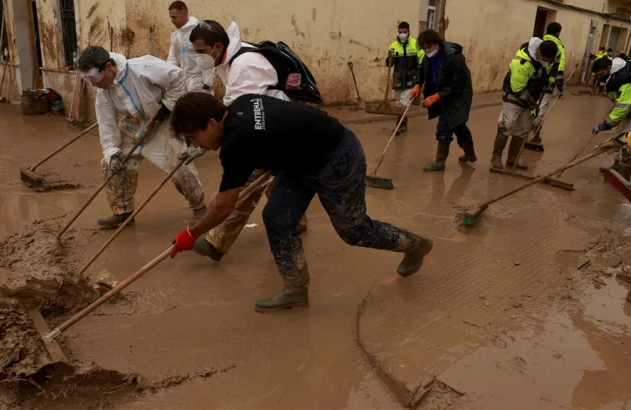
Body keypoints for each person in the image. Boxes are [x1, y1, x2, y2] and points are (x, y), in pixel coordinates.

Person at [170, 92, 434, 311]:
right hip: (299, 163)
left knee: (355, 232)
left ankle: (415, 245)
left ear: (213, 123)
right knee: (276, 216)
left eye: (194, 137)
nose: (197, 145)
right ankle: (295, 288)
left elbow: (223, 207)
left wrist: (191, 234)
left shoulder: (237, 143)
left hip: (338, 156)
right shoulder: (240, 104)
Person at [187, 19, 308, 262]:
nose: (198, 57)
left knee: (242, 185)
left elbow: (238, 113)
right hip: (269, 121)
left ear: (217, 46)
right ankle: (296, 219)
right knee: (271, 176)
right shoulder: (227, 58)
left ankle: (216, 242)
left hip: (276, 127)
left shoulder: (244, 64)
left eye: (200, 52)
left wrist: (208, 135)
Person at [77, 46, 206, 228]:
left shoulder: (142, 66)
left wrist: (167, 106)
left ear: (108, 67)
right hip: (132, 127)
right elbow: (107, 124)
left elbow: (178, 77)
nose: (92, 84)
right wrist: (112, 152)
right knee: (113, 164)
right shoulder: (103, 91)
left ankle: (199, 207)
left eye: (94, 79)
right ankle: (123, 212)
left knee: (180, 166)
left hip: (161, 124)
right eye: (87, 79)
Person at [409, 29, 475, 171]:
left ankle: (440, 162)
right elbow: (421, 71)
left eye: (429, 47)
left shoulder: (454, 57)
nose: (427, 50)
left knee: (446, 127)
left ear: (437, 43)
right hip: (442, 95)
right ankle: (469, 153)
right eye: (424, 48)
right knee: (457, 126)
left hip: (457, 97)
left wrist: (437, 96)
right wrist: (417, 84)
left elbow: (458, 84)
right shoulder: (427, 57)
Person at [490, 38, 558, 170]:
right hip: (513, 96)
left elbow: (548, 72)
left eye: (548, 60)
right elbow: (518, 88)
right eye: (544, 58)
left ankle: (513, 159)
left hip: (532, 97)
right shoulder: (521, 62)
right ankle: (496, 157)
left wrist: (549, 79)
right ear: (538, 52)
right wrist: (533, 105)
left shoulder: (546, 60)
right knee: (507, 125)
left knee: (522, 130)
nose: (546, 61)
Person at [529, 22, 566, 147]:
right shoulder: (559, 48)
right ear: (558, 32)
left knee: (533, 107)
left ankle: (534, 135)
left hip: (534, 83)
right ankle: (531, 135)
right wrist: (559, 85)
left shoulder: (540, 42)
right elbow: (558, 68)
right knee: (540, 110)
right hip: (546, 84)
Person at [387, 21, 424, 135]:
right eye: (400, 32)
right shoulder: (393, 46)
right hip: (398, 79)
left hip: (410, 80)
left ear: (409, 32)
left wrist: (419, 78)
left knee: (404, 102)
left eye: (404, 32)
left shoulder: (416, 44)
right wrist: (390, 57)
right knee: (399, 103)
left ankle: (399, 126)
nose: (402, 34)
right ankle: (403, 124)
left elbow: (421, 62)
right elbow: (389, 64)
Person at [166, 1, 211, 92]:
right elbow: (172, 58)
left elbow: (207, 59)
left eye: (175, 17)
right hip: (183, 80)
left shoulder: (199, 32)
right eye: (171, 17)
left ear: (185, 14)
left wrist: (207, 84)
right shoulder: (175, 36)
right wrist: (169, 76)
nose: (172, 21)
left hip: (199, 81)